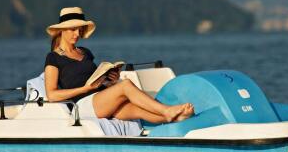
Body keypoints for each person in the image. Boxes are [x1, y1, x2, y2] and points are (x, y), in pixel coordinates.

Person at [44, 7, 194, 123]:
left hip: (100, 99)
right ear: (61, 30)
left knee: (137, 110)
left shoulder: (85, 52)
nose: (77, 34)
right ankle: (167, 110)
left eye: (80, 30)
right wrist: (84, 89)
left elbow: (94, 80)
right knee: (126, 84)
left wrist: (110, 80)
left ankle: (175, 118)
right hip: (82, 106)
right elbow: (51, 95)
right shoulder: (54, 57)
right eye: (73, 29)